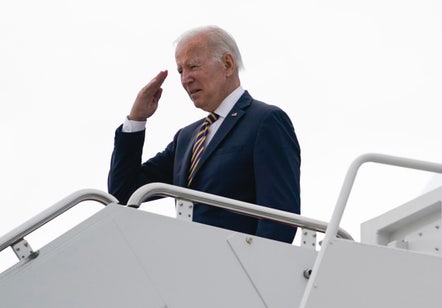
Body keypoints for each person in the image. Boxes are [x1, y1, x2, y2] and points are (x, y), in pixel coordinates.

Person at [108, 25, 301, 243]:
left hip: (239, 268)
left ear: (227, 64)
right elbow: (123, 194)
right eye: (181, 71)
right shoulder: (187, 137)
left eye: (193, 66)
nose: (185, 79)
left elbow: (279, 218)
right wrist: (136, 120)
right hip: (190, 265)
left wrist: (255, 270)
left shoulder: (265, 121)